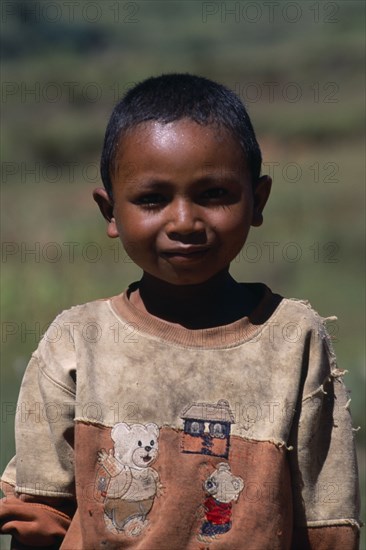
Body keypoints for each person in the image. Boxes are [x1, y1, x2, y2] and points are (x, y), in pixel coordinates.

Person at [0, 74, 361, 549]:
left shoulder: (293, 339)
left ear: (259, 200)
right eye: (152, 199)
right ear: (110, 213)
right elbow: (39, 511)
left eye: (214, 195)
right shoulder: (77, 341)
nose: (185, 222)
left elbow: (326, 523)